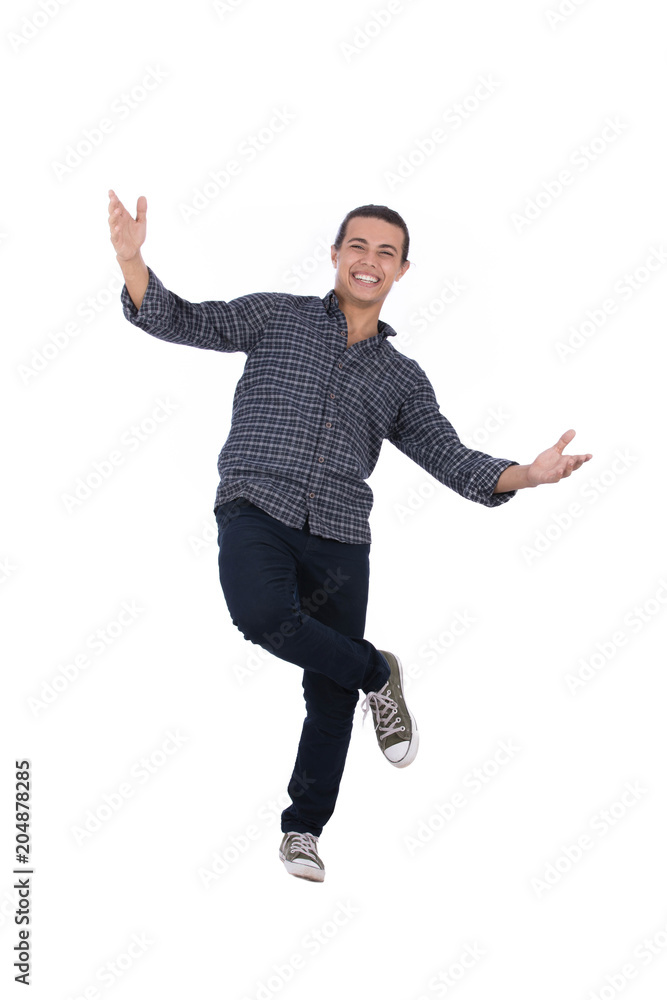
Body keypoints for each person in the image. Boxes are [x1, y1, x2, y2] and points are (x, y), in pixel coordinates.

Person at [108, 190, 592, 882]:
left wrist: (528, 474)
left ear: (401, 271)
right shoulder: (275, 315)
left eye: (386, 253)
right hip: (257, 506)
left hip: (340, 535)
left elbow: (449, 456)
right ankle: (377, 671)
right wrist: (132, 259)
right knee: (263, 616)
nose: (370, 260)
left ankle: (303, 831)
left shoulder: (401, 378)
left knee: (329, 694)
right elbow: (183, 319)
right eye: (357, 246)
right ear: (336, 255)